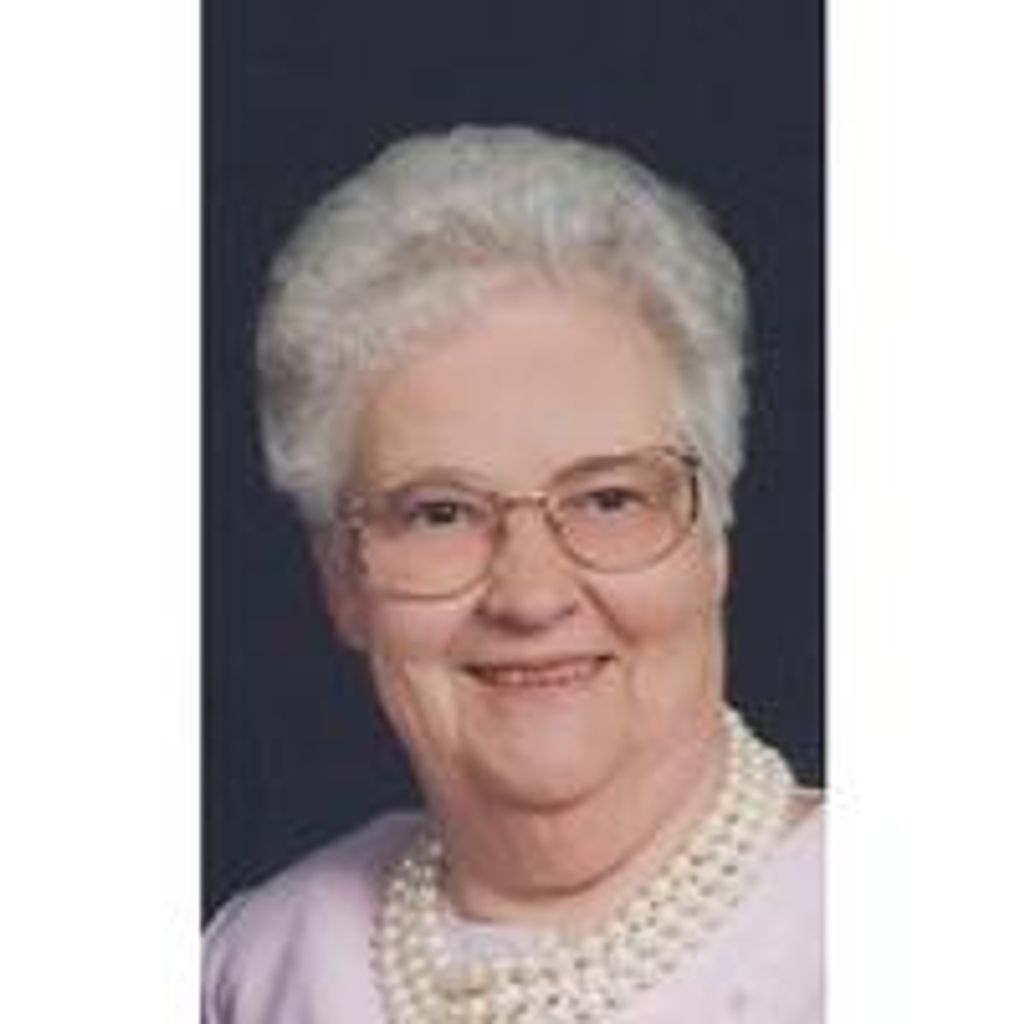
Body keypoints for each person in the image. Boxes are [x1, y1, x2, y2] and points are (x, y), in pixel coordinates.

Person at [203, 125, 822, 1023]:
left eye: (608, 498)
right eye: (441, 513)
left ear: (713, 538)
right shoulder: (260, 967)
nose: (532, 596)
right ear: (342, 578)